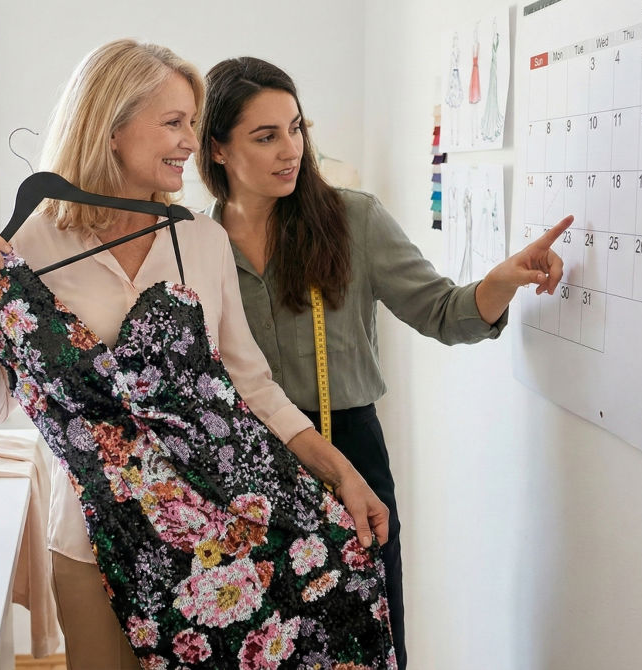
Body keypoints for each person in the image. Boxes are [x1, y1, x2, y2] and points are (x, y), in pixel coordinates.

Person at [0, 40, 396, 669]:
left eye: (193, 121)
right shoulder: (26, 250)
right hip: (89, 543)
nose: (191, 140)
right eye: (173, 123)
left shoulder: (200, 240)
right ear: (112, 128)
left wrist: (342, 472)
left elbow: (252, 387)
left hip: (217, 537)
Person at [197, 56, 572, 668]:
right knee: (259, 642)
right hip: (239, 458)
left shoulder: (351, 219)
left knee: (365, 632)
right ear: (217, 149)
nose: (289, 149)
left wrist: (502, 279)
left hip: (348, 444)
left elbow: (443, 312)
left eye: (296, 128)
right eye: (265, 137)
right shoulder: (193, 243)